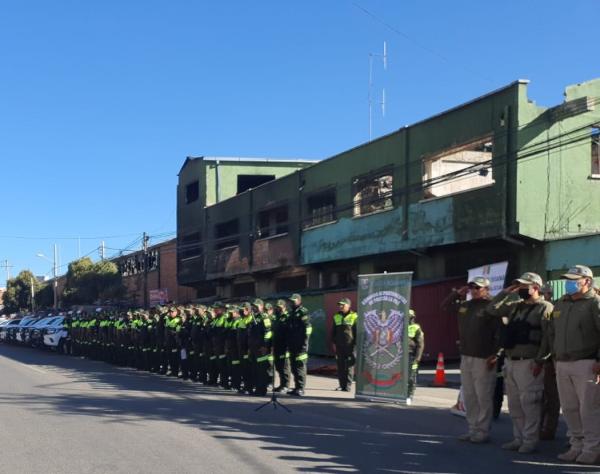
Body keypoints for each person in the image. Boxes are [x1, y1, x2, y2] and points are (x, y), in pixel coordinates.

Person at [487, 272, 552, 454]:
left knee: (530, 403)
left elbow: (548, 337)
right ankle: (519, 438)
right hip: (511, 361)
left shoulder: (545, 307)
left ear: (536, 287)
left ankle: (530, 440)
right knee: (515, 403)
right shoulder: (515, 306)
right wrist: (506, 292)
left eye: (525, 286)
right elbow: (492, 309)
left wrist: (541, 360)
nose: (521, 289)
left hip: (529, 362)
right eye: (520, 286)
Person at [548, 265, 600, 465]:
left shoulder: (594, 303)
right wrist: (554, 357)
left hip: (586, 363)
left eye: (573, 280)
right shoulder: (562, 303)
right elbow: (552, 331)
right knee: (569, 408)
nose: (569, 283)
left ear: (586, 281)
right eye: (568, 279)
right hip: (562, 362)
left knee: (589, 409)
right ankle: (576, 446)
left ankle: (592, 449)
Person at [442, 276, 500, 443]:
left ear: (486, 289)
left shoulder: (491, 307)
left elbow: (499, 333)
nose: (474, 290)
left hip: (484, 357)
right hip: (466, 356)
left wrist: (496, 353)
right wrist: (457, 294)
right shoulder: (465, 306)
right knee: (469, 395)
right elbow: (445, 307)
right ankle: (472, 429)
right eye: (472, 287)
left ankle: (482, 431)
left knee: (483, 395)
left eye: (478, 288)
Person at [539, 283, 560, 441]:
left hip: (552, 359)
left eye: (545, 293)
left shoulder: (551, 309)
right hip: (545, 359)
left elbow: (551, 337)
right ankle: (539, 427)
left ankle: (549, 429)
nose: (544, 295)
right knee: (542, 397)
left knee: (552, 398)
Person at [287, 293, 312, 396]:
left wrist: (305, 344)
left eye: (294, 301)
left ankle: (301, 388)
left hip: (301, 345)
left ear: (299, 301)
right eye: (291, 301)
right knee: (293, 367)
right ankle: (297, 387)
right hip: (292, 344)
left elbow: (308, 328)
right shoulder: (292, 313)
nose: (292, 303)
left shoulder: (303, 312)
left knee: (300, 367)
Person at [331, 297, 357, 392]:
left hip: (350, 346)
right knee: (340, 365)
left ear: (348, 305)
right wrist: (333, 343)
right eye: (340, 305)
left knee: (349, 366)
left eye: (343, 305)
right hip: (339, 345)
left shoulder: (354, 316)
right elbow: (333, 331)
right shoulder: (336, 316)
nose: (341, 306)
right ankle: (341, 385)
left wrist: (355, 346)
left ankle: (348, 386)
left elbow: (356, 332)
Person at [272, 299, 291, 393]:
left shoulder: (288, 317)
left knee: (284, 367)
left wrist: (288, 346)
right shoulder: (276, 317)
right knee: (279, 366)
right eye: (277, 307)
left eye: (280, 307)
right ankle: (281, 385)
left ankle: (286, 385)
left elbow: (289, 333)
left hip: (284, 346)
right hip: (277, 345)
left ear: (284, 307)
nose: (278, 308)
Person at [407, 309, 424, 400]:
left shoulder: (416, 328)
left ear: (413, 317)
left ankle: (409, 394)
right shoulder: (399, 326)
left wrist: (417, 358)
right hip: (401, 356)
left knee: (411, 376)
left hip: (411, 356)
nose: (408, 319)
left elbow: (420, 344)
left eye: (410, 317)